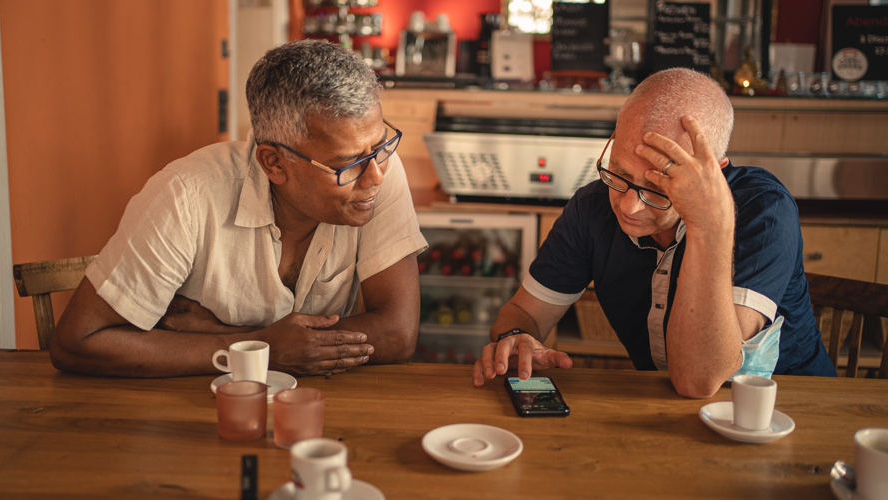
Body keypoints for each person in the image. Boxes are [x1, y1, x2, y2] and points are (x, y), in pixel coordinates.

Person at [51, 40, 428, 377]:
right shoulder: (187, 195)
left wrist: (233, 338)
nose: (375, 175)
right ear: (274, 163)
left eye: (380, 145)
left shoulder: (378, 169)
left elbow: (397, 333)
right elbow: (77, 342)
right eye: (347, 164)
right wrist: (265, 350)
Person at [473, 67, 835, 398]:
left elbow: (699, 378)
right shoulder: (592, 207)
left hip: (797, 411)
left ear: (714, 173)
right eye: (619, 174)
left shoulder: (765, 210)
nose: (629, 207)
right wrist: (516, 337)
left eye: (659, 188)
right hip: (666, 412)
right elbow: (525, 311)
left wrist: (708, 222)